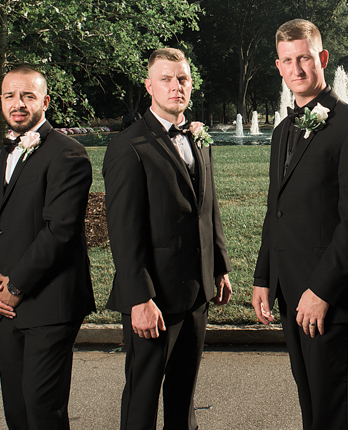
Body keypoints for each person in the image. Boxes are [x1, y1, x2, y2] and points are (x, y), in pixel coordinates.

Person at [252, 19, 348, 430]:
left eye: (305, 58)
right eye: (288, 61)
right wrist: (263, 278)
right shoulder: (281, 131)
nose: (297, 68)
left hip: (331, 300)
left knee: (335, 416)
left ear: (322, 58)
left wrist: (321, 290)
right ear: (279, 66)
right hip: (291, 294)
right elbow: (277, 211)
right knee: (313, 412)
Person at [103, 48, 232, 430]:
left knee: (184, 395)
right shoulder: (128, 147)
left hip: (196, 291)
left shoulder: (199, 138)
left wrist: (220, 267)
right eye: (166, 79)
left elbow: (208, 209)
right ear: (149, 86)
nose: (176, 86)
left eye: (183, 79)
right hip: (153, 299)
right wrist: (140, 298)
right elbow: (124, 232)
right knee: (143, 397)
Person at [0, 66, 96, 430]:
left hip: (50, 302)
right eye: (10, 96)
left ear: (46, 101)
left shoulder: (69, 154)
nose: (18, 104)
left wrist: (15, 287)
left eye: (28, 95)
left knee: (43, 409)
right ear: (1, 102)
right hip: (1, 304)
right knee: (17, 411)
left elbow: (59, 231)